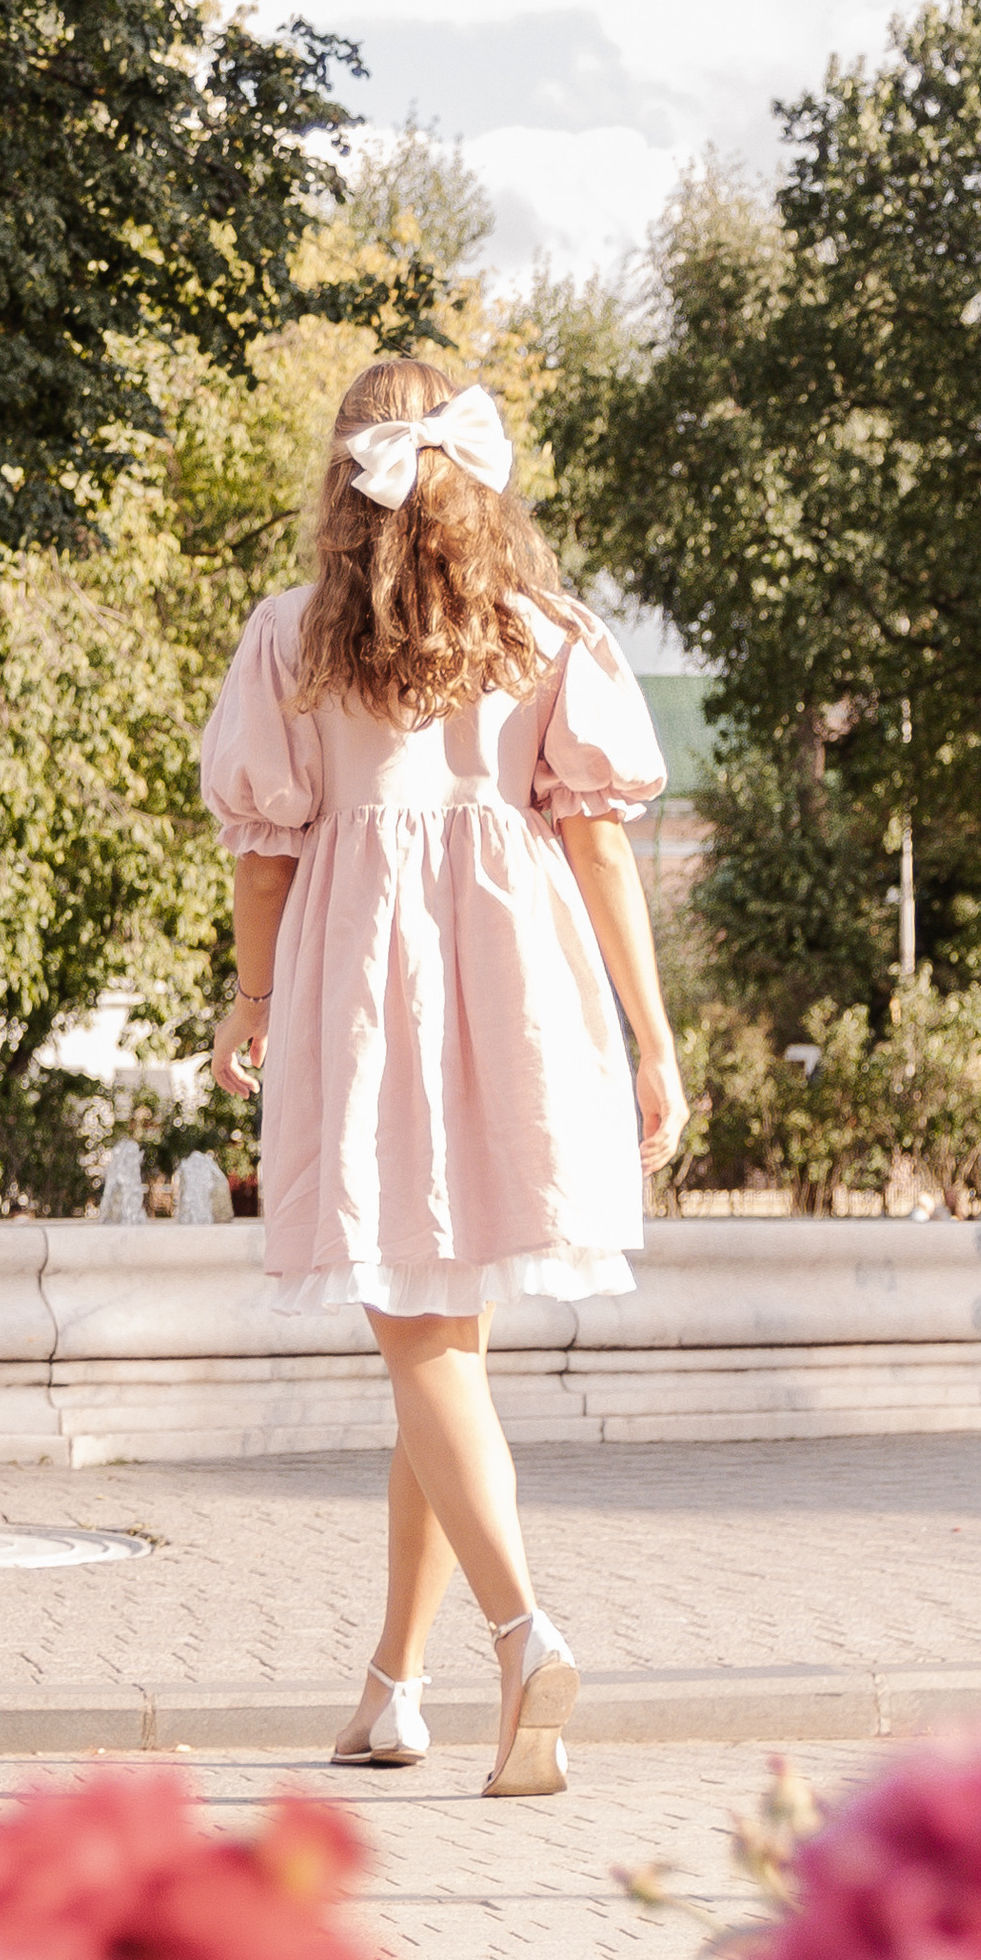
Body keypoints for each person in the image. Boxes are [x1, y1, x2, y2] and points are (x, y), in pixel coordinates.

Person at [202, 358, 685, 1800]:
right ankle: (394, 1690)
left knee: (418, 1338)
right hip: (517, 979)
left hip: (366, 976)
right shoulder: (548, 632)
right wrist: (652, 1038)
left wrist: (253, 994)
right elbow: (603, 845)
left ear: (342, 484)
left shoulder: (291, 638)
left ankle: (524, 1634)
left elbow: (264, 848)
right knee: (440, 1343)